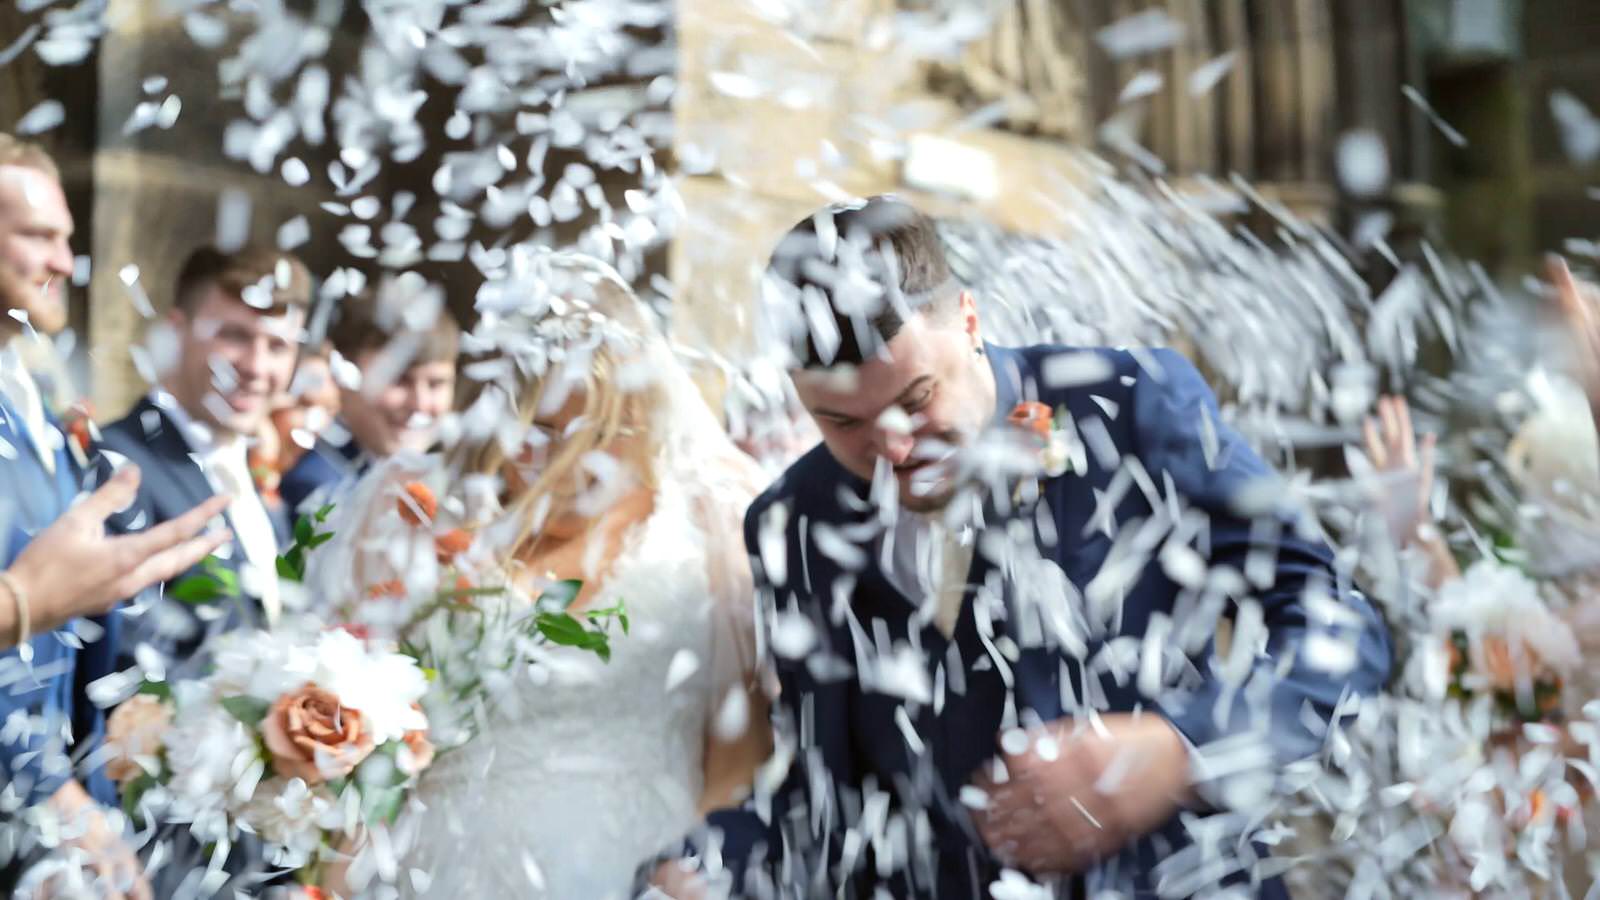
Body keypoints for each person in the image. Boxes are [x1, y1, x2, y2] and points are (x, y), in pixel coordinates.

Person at [656, 196, 1394, 898]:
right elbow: (826, 796)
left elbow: (1342, 629)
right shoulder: (791, 523)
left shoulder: (1130, 405)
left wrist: (1179, 751)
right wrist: (709, 871)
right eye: (843, 423)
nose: (894, 447)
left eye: (915, 399)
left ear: (969, 319)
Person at [309, 251, 771, 898]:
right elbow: (359, 738)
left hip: (626, 875)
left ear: (638, 418)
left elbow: (737, 759)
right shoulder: (419, 512)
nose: (563, 464)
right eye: (539, 430)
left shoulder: (705, 528)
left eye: (595, 433)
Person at [0, 132, 155, 898]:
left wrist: (87, 788)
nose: (65, 261)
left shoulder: (34, 401)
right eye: (37, 236)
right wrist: (47, 789)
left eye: (67, 237)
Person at [101, 243, 309, 670]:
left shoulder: (250, 469)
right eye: (235, 336)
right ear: (177, 331)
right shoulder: (119, 465)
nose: (256, 366)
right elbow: (126, 664)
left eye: (278, 346)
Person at [279, 275, 459, 519]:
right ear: (343, 374)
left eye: (437, 384)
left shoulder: (447, 485)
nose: (420, 404)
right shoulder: (316, 485)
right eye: (399, 380)